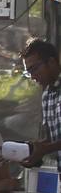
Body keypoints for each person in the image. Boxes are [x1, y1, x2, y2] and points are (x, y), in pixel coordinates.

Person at [22, 38, 61, 168]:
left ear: (51, 62)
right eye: (29, 72)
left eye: (34, 69)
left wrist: (45, 149)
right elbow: (53, 138)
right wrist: (33, 149)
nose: (33, 76)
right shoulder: (47, 96)